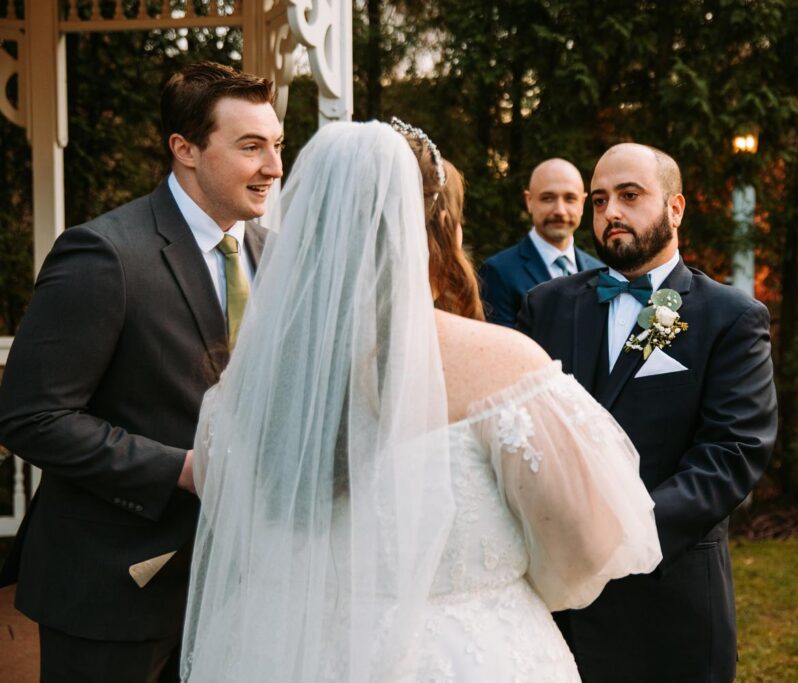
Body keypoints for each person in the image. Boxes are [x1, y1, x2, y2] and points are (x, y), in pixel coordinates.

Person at [180, 121, 661, 682]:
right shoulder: (504, 366)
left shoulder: (244, 386)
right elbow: (591, 545)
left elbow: (234, 526)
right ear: (438, 232)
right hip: (464, 656)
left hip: (277, 654)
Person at [0, 62, 283, 681]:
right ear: (184, 149)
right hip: (112, 588)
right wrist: (180, 469)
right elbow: (31, 417)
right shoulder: (104, 253)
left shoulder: (271, 253)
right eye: (251, 147)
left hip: (237, 591)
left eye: (277, 145)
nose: (274, 168)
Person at [518, 143, 778, 682]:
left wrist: (620, 535)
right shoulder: (545, 306)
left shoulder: (728, 317)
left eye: (629, 196)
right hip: (555, 612)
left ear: (676, 209)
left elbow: (732, 453)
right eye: (599, 200)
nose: (610, 212)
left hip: (670, 606)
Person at [480, 159, 602, 326]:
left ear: (582, 203)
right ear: (529, 201)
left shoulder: (599, 271)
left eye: (570, 198)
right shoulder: (498, 271)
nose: (560, 210)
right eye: (548, 198)